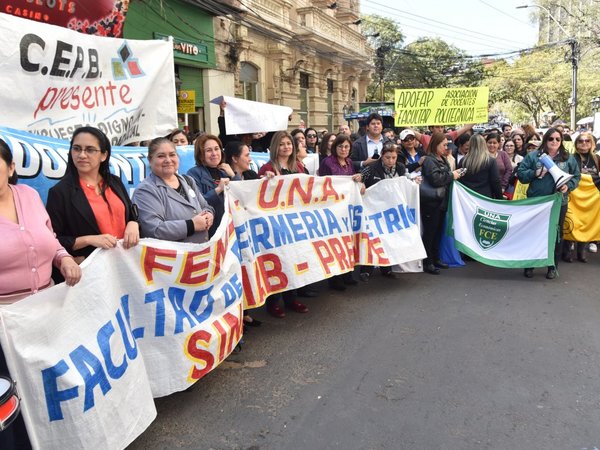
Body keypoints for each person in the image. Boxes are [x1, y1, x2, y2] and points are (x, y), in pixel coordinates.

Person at [0, 138, 81, 450]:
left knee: (50, 389)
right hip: (6, 324)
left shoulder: (30, 195)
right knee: (14, 403)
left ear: (11, 167)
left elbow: (49, 239)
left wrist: (64, 259)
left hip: (48, 311)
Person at [46, 127, 140, 276]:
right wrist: (90, 240)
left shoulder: (114, 182)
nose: (82, 155)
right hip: (91, 272)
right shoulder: (60, 192)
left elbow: (131, 215)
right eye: (77, 149)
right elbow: (52, 241)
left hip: (125, 265)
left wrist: (133, 223)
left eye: (90, 150)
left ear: (103, 155)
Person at [517, 127, 580, 279]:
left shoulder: (568, 158)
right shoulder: (534, 156)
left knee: (556, 234)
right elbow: (521, 175)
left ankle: (552, 266)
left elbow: (576, 177)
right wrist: (535, 173)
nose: (554, 142)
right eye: (551, 139)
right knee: (533, 233)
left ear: (561, 141)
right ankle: (529, 265)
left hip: (559, 202)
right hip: (537, 202)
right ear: (545, 140)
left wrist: (568, 186)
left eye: (558, 139)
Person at [258, 131, 309, 318]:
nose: (286, 147)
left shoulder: (299, 167)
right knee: (278, 261)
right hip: (276, 224)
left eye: (289, 143)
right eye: (282, 144)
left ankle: (291, 298)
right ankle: (273, 302)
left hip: (295, 222)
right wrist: (265, 181)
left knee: (294, 259)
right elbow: (257, 194)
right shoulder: (267, 168)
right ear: (275, 147)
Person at [132, 137, 214, 243]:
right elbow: (154, 229)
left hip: (199, 255)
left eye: (172, 155)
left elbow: (206, 206)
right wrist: (191, 225)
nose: (168, 160)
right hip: (172, 257)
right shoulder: (145, 190)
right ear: (150, 160)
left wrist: (209, 215)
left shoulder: (188, 181)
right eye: (161, 156)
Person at [318, 134, 363, 287]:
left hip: (347, 208)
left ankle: (347, 273)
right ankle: (335, 278)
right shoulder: (327, 162)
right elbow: (322, 184)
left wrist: (358, 179)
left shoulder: (349, 162)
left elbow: (352, 182)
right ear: (334, 147)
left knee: (346, 241)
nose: (343, 149)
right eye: (340, 146)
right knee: (334, 243)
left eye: (346, 147)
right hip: (332, 208)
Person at [420, 133, 464, 275]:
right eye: (444, 145)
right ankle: (428, 262)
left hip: (441, 201)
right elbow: (436, 179)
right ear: (435, 144)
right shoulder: (429, 160)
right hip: (431, 202)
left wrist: (454, 174)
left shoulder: (442, 159)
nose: (446, 147)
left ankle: (435, 258)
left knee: (438, 231)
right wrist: (452, 175)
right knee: (430, 232)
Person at [186, 134, 236, 237]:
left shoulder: (226, 171)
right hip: (210, 230)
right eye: (209, 150)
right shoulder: (193, 173)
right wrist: (218, 189)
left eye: (216, 149)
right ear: (201, 155)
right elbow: (197, 202)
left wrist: (234, 175)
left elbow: (242, 196)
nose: (214, 153)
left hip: (230, 228)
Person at [563, 131, 599, 263]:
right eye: (581, 141)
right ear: (576, 144)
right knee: (571, 221)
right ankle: (567, 251)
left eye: (587, 141)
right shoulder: (570, 157)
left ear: (591, 144)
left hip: (590, 197)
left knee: (586, 222)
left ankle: (581, 251)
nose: (584, 143)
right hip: (574, 195)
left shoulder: (596, 158)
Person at [457, 134, 502, 199]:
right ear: (484, 144)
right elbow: (495, 181)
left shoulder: (463, 161)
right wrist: (499, 198)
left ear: (471, 145)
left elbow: (459, 180)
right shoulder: (491, 161)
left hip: (467, 198)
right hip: (484, 198)